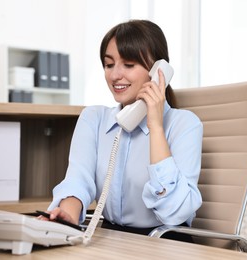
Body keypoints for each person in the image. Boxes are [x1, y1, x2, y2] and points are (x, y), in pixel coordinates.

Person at [42, 19, 203, 242]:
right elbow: (79, 179)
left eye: (128, 65)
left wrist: (155, 126)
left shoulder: (184, 124)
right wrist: (66, 216)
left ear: (158, 71)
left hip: (164, 242)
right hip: (110, 237)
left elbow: (174, 213)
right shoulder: (94, 119)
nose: (115, 75)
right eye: (109, 65)